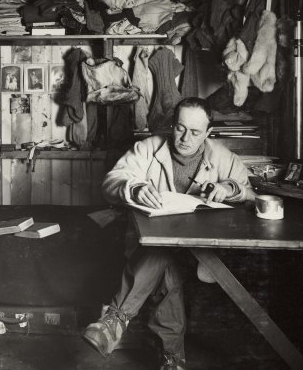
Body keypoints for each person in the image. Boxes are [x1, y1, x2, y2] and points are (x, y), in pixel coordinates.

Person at [82, 97, 254, 370]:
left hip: (201, 254)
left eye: (196, 132)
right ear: (172, 125)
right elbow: (111, 182)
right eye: (180, 128)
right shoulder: (148, 148)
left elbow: (249, 192)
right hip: (155, 246)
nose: (185, 138)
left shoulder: (222, 157)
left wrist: (230, 188)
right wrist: (133, 188)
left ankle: (114, 321)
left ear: (209, 133)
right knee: (166, 264)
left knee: (163, 258)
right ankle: (172, 360)